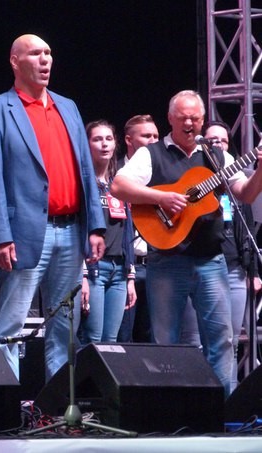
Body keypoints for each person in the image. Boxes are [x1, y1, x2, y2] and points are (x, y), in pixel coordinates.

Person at [0, 34, 106, 382]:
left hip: (71, 230)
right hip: (25, 233)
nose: (45, 59)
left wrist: (95, 225)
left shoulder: (68, 107)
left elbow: (86, 170)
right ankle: (6, 404)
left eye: (48, 53)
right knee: (10, 326)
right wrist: (0, 236)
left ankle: (58, 405)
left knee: (64, 327)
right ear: (15, 61)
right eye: (35, 53)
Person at [111, 90, 262, 397]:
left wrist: (260, 168)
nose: (190, 123)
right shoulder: (151, 154)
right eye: (183, 118)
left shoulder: (216, 156)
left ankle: (220, 410)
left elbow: (246, 194)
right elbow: (118, 185)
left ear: (203, 120)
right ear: (170, 119)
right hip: (167, 261)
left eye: (195, 118)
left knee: (222, 341)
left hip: (212, 260)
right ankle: (171, 409)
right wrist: (161, 197)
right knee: (167, 344)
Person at [179, 120, 262, 392]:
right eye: (212, 140)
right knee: (193, 342)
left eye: (223, 141)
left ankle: (227, 404)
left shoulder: (235, 186)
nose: (218, 145)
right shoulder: (192, 179)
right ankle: (196, 401)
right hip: (200, 265)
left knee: (229, 344)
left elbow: (247, 229)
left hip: (235, 269)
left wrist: (253, 272)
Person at [79, 120, 136, 344]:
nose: (104, 144)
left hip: (119, 270)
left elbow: (127, 230)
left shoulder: (118, 184)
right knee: (92, 339)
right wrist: (82, 275)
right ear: (87, 145)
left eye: (108, 139)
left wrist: (130, 276)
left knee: (111, 340)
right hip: (95, 269)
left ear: (115, 144)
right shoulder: (83, 184)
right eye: (97, 139)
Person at [116, 114, 159, 343]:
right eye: (146, 136)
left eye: (156, 136)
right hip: (125, 267)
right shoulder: (115, 175)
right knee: (123, 337)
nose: (153, 141)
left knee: (152, 338)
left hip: (155, 265)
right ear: (129, 140)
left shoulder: (161, 174)